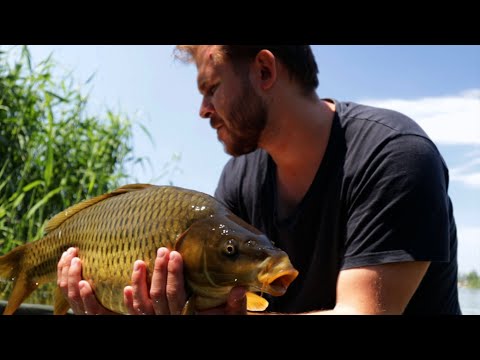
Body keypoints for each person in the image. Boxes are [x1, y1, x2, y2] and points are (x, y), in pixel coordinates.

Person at [57, 45, 461, 315]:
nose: (202, 110)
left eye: (211, 88)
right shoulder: (239, 178)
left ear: (264, 70)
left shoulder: (394, 155)